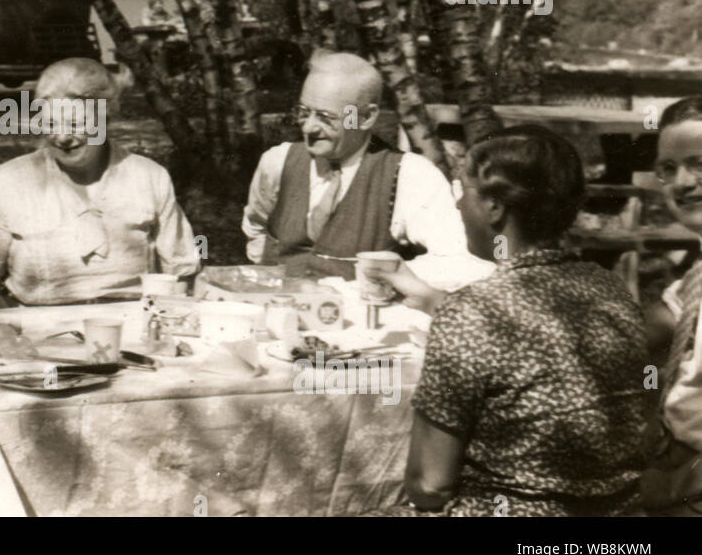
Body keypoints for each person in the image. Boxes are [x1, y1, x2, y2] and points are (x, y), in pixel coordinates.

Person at [377, 125, 648, 516]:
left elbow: (429, 484)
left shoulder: (471, 313)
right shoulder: (613, 292)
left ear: (494, 207)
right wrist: (436, 301)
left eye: (463, 190)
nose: (456, 206)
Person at [0, 57, 200, 305]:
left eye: (76, 124)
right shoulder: (10, 180)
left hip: (133, 323)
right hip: (39, 329)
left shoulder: (148, 176)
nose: (62, 137)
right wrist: (9, 324)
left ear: (106, 119)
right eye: (50, 123)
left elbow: (181, 269)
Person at [241, 51, 491, 290]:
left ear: (366, 117)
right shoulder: (278, 162)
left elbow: (455, 259)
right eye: (304, 113)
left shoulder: (411, 176)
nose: (309, 128)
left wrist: (388, 277)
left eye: (326, 117)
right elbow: (257, 229)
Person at [639, 96, 702, 515]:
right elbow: (650, 338)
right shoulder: (692, 276)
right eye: (669, 168)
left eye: (700, 164)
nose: (683, 182)